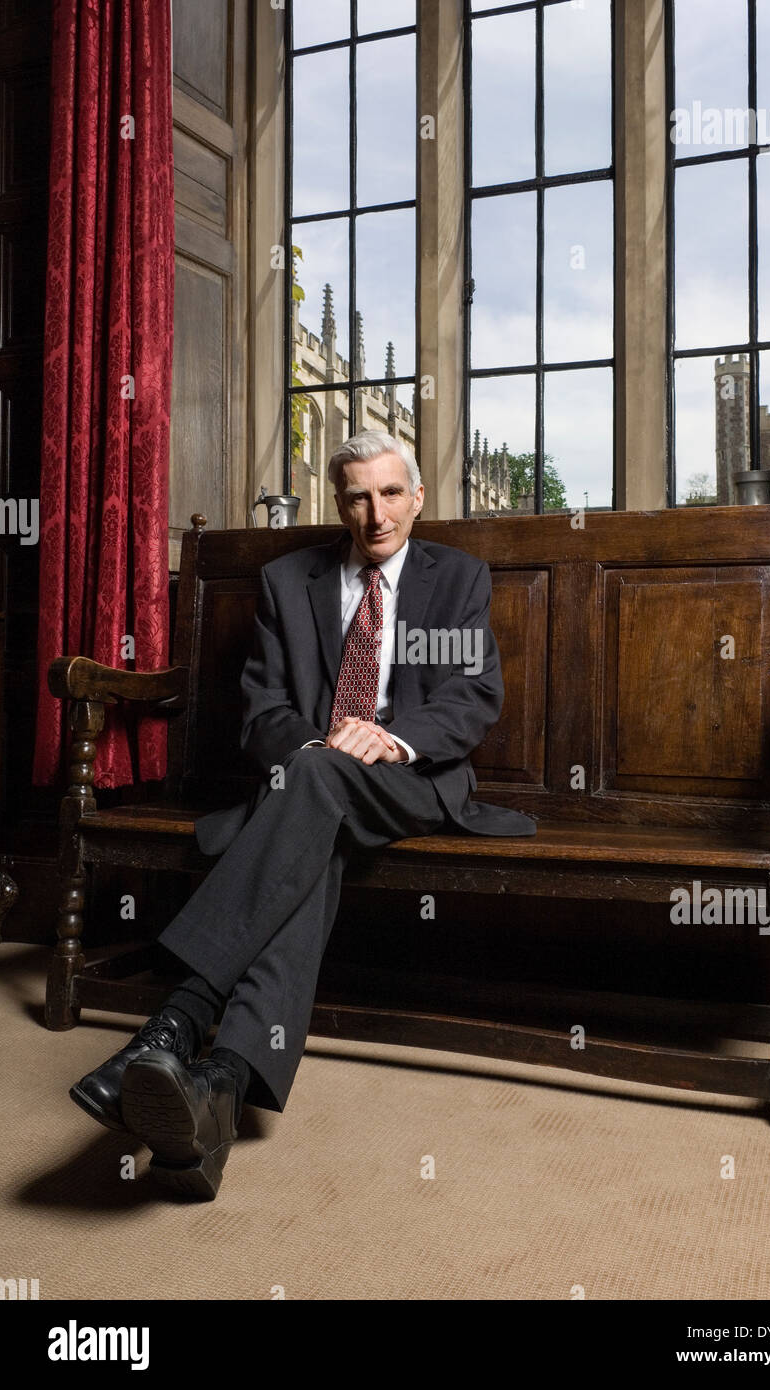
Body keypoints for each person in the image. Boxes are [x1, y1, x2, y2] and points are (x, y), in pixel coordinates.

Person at [70, 429, 536, 1199]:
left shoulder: (456, 580)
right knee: (315, 825)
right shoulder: (291, 581)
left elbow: (469, 699)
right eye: (356, 494)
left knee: (317, 785)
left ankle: (173, 1023)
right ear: (337, 502)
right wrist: (323, 744)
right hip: (310, 787)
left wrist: (389, 739)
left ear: (417, 497)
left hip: (410, 783)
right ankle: (216, 1087)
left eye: (391, 492)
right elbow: (263, 714)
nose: (375, 512)